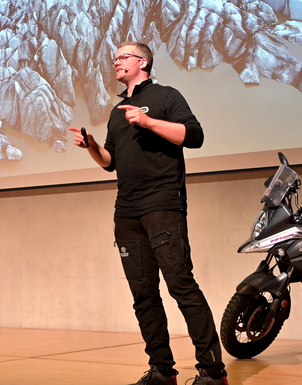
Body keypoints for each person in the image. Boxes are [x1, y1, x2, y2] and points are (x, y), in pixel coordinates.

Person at [69, 42, 228, 385]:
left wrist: (148, 121)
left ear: (142, 62)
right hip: (127, 211)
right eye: (115, 58)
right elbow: (110, 162)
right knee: (143, 294)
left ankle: (213, 374)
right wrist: (93, 146)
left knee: (181, 286)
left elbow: (194, 136)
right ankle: (161, 371)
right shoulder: (116, 111)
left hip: (162, 205)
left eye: (123, 57)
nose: (117, 62)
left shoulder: (166, 96)